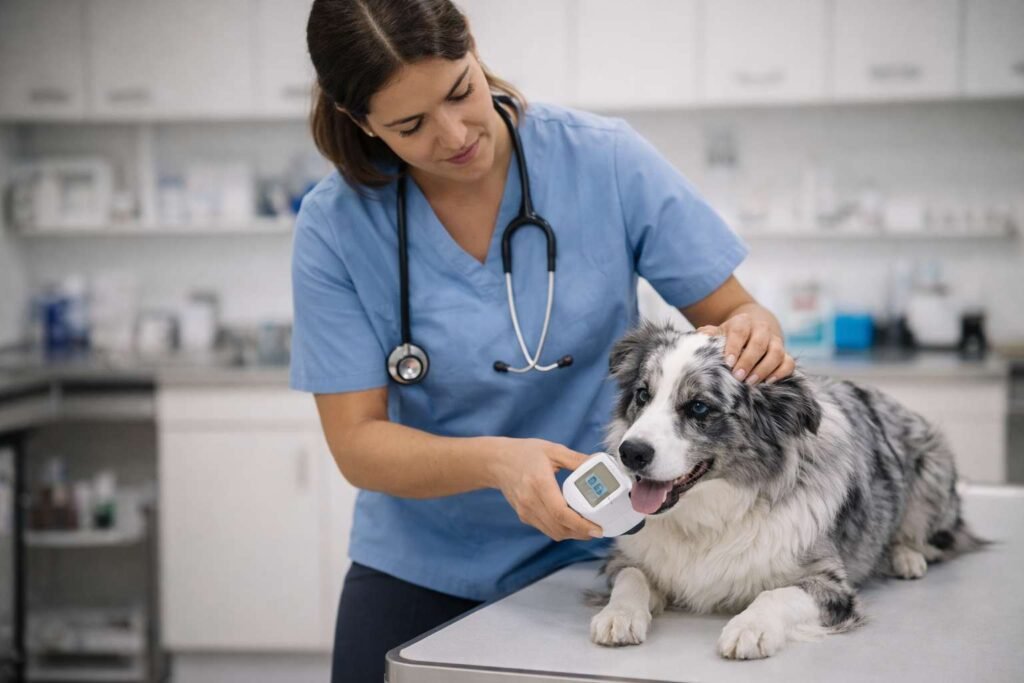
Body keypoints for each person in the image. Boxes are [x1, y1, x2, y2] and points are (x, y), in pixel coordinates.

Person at [293, 1, 795, 680]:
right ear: (361, 123)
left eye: (460, 90)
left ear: (472, 47)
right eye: (410, 125)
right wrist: (498, 461)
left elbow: (734, 312)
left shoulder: (603, 160)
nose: (455, 134)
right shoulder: (335, 225)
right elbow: (357, 442)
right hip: (419, 562)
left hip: (607, 547)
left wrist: (755, 329)